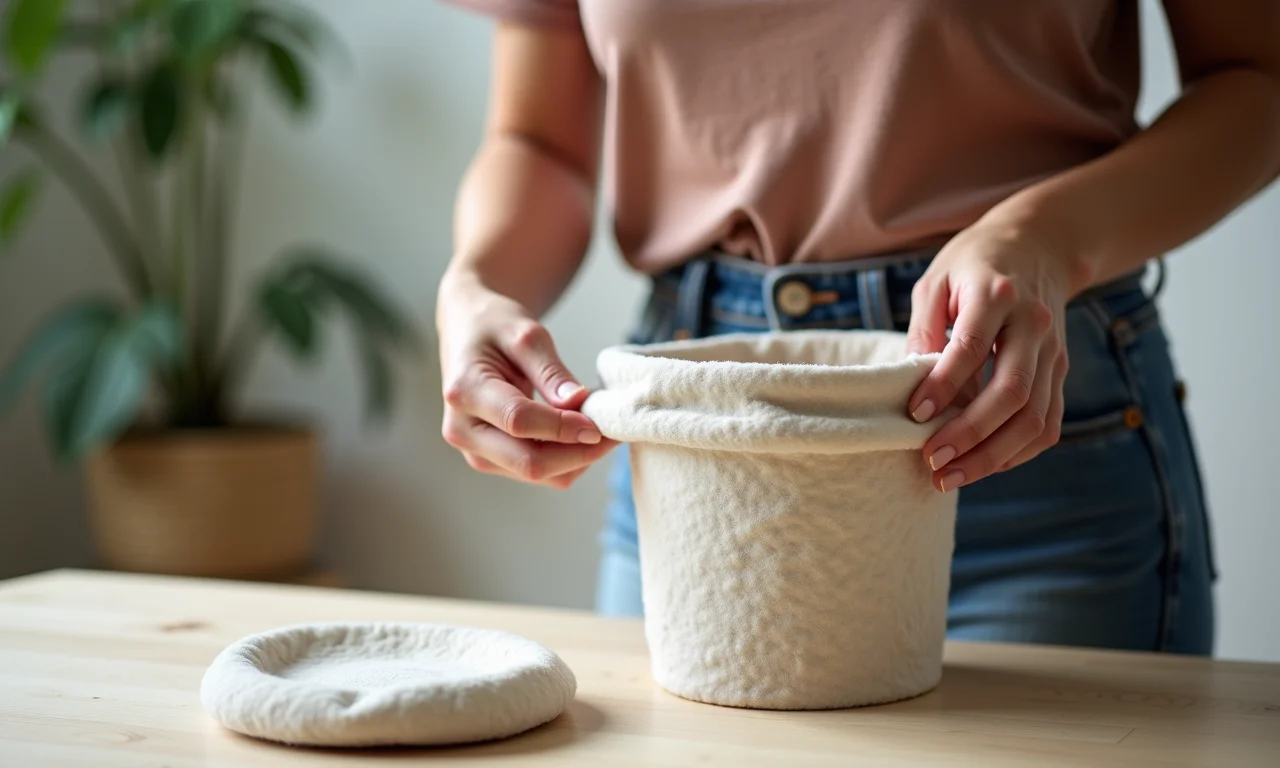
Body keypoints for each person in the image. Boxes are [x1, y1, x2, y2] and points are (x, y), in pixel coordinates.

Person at [434, 0, 1280, 654]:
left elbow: (1257, 80)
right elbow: (538, 140)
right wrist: (474, 286)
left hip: (1015, 429)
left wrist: (1044, 237)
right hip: (698, 443)